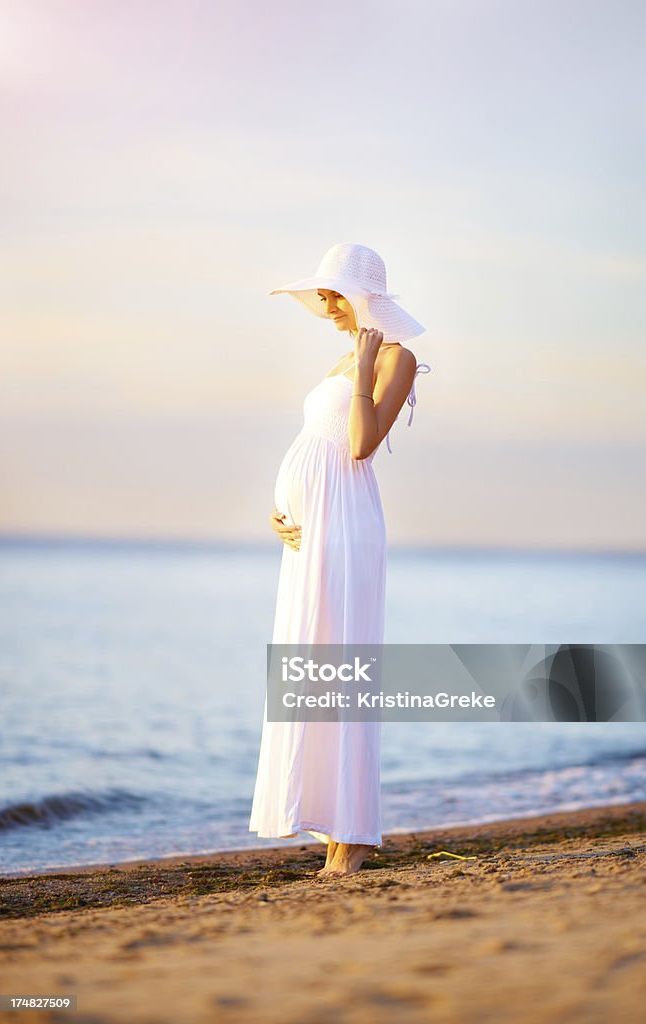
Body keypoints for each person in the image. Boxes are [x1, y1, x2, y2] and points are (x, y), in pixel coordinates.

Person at [248, 242, 430, 877]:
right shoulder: (342, 356)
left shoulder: (397, 358)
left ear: (362, 296)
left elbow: (359, 445)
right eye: (322, 296)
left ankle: (353, 839)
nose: (324, 305)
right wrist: (282, 512)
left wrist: (365, 367)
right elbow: (313, 445)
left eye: (332, 295)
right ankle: (332, 832)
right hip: (310, 531)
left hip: (347, 525)